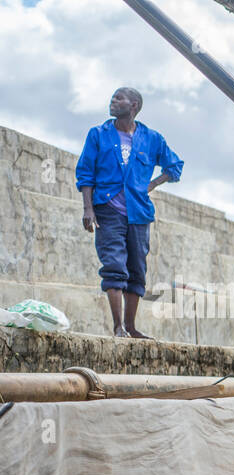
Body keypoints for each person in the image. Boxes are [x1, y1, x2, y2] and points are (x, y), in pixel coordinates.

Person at [75, 87, 183, 338]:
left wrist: (152, 184)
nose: (113, 101)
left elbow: (175, 165)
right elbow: (85, 172)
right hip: (107, 210)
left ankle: (131, 326)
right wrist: (88, 208)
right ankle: (117, 327)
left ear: (134, 105)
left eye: (119, 98)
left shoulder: (152, 138)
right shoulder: (98, 134)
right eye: (112, 97)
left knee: (137, 269)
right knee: (113, 264)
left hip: (139, 213)